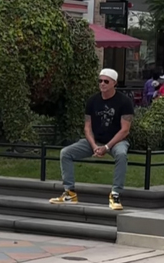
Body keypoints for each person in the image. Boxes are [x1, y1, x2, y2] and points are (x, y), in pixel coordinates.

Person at [50, 68, 133, 211]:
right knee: (66, 153)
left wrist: (106, 147)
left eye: (106, 81)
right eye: (100, 81)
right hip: (95, 140)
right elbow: (87, 127)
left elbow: (125, 129)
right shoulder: (92, 101)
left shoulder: (124, 102)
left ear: (114, 83)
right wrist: (94, 146)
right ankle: (69, 192)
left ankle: (115, 194)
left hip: (116, 141)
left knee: (121, 154)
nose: (102, 84)